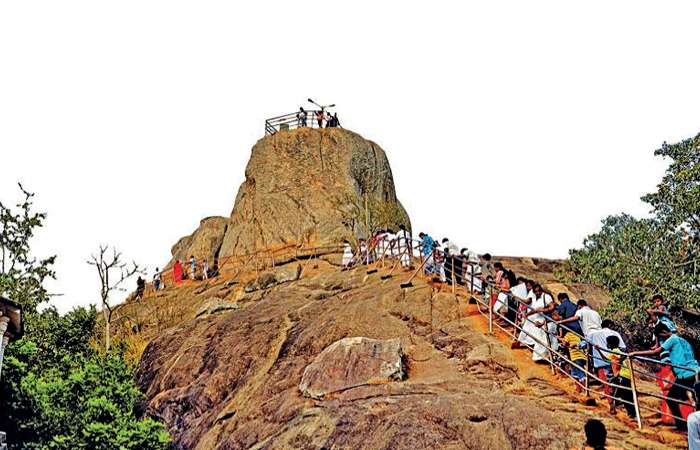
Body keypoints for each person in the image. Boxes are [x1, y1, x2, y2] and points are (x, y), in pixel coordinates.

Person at [630, 322, 700, 430]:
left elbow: (656, 351)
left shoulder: (672, 339)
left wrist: (636, 354)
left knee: (671, 398)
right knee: (695, 398)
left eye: (660, 337)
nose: (661, 340)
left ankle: (682, 425)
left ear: (663, 332)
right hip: (695, 370)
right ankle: (684, 424)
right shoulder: (684, 341)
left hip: (685, 374)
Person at [607, 335, 636, 418]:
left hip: (622, 374)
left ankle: (631, 413)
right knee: (626, 394)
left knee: (626, 395)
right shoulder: (618, 351)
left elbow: (618, 361)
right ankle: (631, 412)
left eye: (608, 343)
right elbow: (606, 358)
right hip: (626, 375)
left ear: (610, 344)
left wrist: (617, 373)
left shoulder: (615, 351)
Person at [559, 324, 587, 390]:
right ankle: (578, 388)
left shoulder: (568, 335)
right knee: (574, 372)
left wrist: (560, 339)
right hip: (581, 356)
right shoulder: (577, 336)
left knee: (580, 373)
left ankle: (585, 389)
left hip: (575, 356)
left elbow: (564, 344)